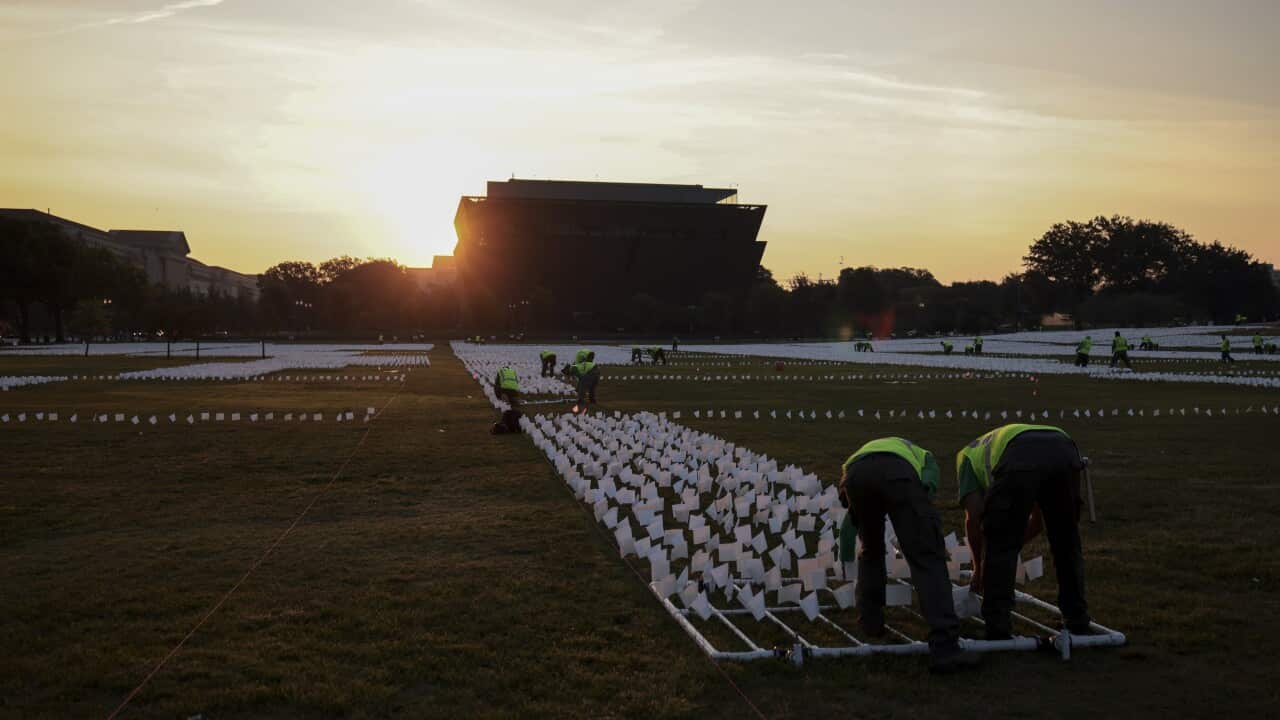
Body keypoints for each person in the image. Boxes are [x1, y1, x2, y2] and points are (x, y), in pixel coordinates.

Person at [838, 437, 980, 673]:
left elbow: (848, 503)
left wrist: (848, 546)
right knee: (927, 559)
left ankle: (870, 621)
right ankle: (945, 647)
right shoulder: (924, 456)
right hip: (898, 477)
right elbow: (928, 490)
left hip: (854, 477)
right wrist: (925, 533)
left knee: (871, 550)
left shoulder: (861, 454)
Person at [956, 424, 1091, 640]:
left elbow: (973, 518)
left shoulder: (965, 458)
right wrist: (1014, 545)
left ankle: (997, 626)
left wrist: (979, 568)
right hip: (1064, 448)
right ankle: (1077, 618)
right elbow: (1038, 522)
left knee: (999, 542)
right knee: (1067, 541)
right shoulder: (997, 445)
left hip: (1020, 456)